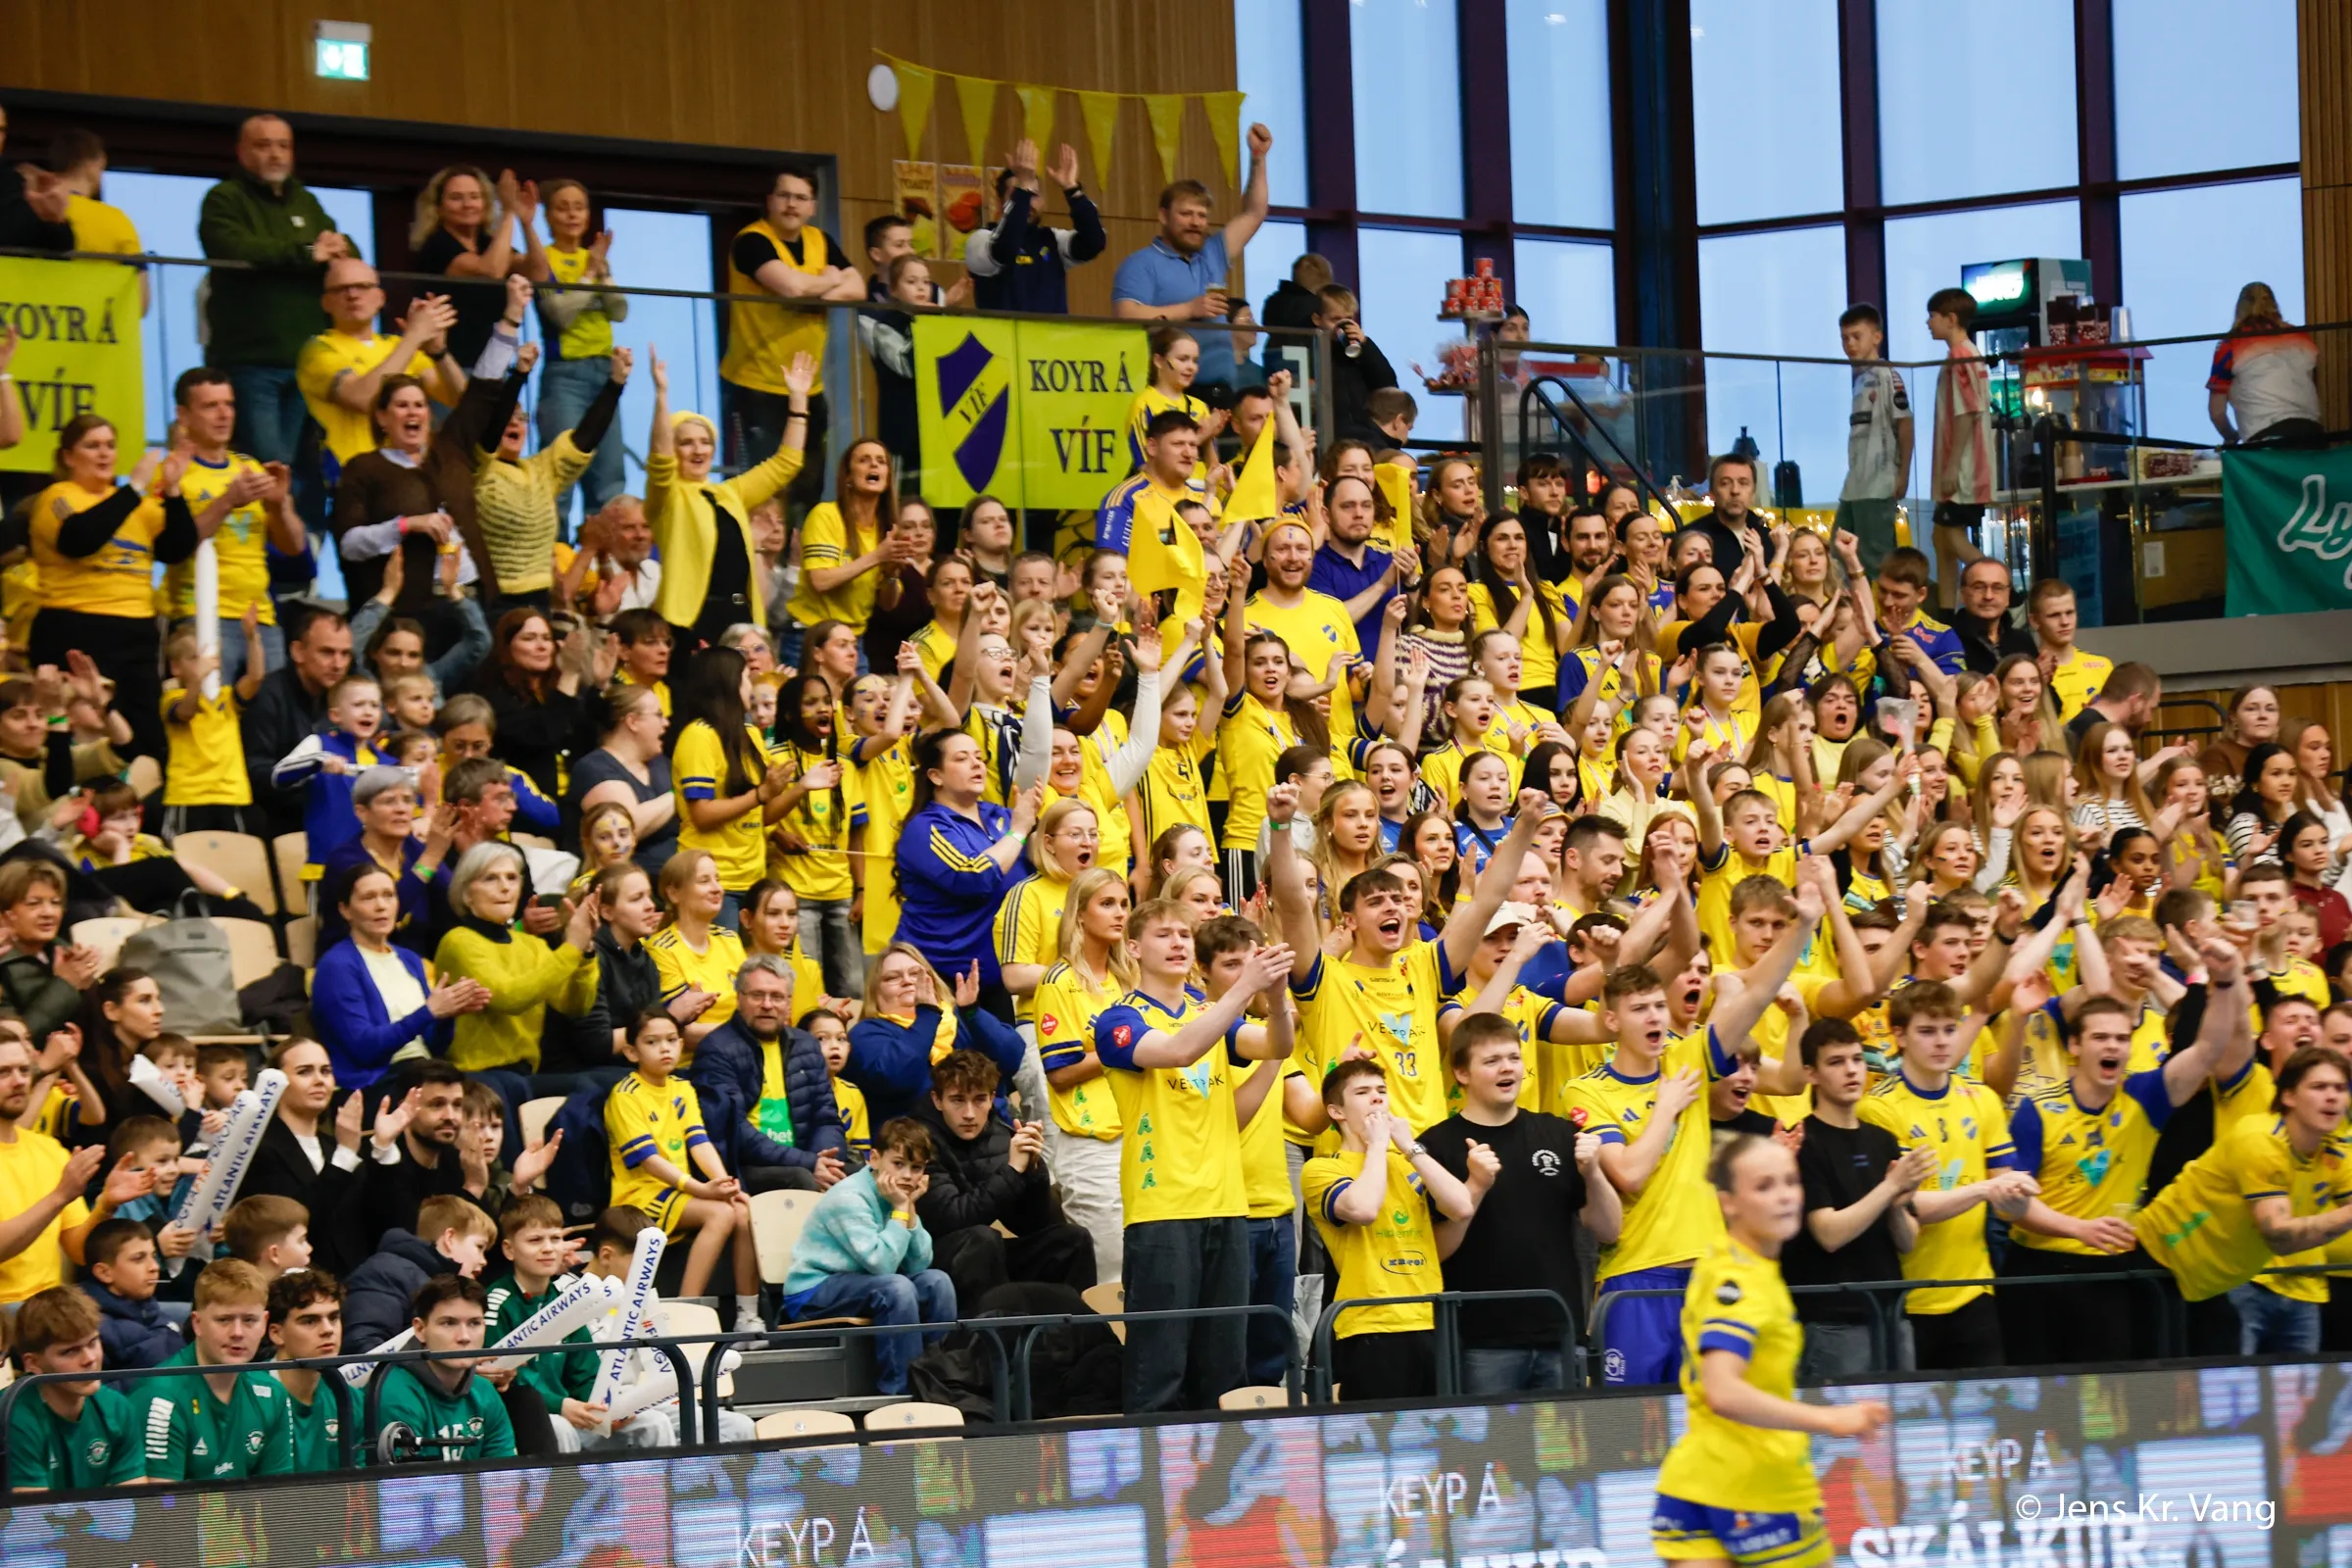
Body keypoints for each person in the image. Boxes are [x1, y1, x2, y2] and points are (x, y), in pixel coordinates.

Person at [1649, 1136, 1891, 1568]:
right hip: (1761, 1488)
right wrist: (1831, 1419)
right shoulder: (1743, 1283)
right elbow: (1723, 1390)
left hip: (1692, 1486)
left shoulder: (1726, 1259)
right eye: (1764, 1186)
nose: (1784, 1196)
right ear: (1728, 1203)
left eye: (1790, 1182)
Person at [1092, 905, 1294, 1413]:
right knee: (1159, 1371)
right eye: (1164, 934)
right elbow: (1179, 1051)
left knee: (1225, 1372)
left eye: (1185, 933)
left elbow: (1277, 1043)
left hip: (1228, 1206)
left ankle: (1222, 1467)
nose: (1179, 942)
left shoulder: (1213, 1016)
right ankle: (1153, 1465)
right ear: (1133, 948)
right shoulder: (1118, 1019)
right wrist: (1245, 988)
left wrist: (1274, 994)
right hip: (1162, 1212)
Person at [1421, 1011, 1622, 1395]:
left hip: (1561, 1333)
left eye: (1513, 1057)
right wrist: (1475, 1187)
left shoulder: (1558, 1133)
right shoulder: (1437, 1146)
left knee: (1566, 1437)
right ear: (1461, 1073)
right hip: (1479, 1342)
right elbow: (1434, 1251)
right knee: (1489, 1437)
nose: (1507, 1068)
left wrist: (1594, 1172)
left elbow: (1609, 1229)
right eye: (1491, 1061)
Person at [2136, 1045, 2352, 1355]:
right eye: (2319, 1087)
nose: (2332, 1096)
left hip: (2212, 1286)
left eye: (2340, 1088)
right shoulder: (2261, 1140)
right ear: (2288, 1096)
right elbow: (2279, 1235)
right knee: (2160, 1379)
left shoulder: (2334, 1153)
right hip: (2158, 1262)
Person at [1301, 1055, 1481, 1401]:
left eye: (1382, 1090)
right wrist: (1377, 1146)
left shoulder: (1408, 1162)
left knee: (1440, 1430)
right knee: (1379, 1431)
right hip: (1370, 1326)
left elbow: (1461, 1206)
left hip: (1430, 1319)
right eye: (1362, 1092)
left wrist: (1410, 1147)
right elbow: (1364, 1209)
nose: (1377, 1098)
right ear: (1336, 1111)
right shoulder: (1322, 1169)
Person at [27, 416, 202, 763]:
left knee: (145, 736)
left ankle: (139, 793)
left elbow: (177, 548)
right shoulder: (58, 497)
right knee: (85, 726)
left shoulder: (136, 505)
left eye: (110, 445)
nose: (104, 453)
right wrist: (133, 488)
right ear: (68, 456)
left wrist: (173, 491)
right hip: (74, 626)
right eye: (92, 446)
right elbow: (80, 540)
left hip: (136, 630)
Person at [199, 114, 352, 469]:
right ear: (241, 151)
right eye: (263, 145)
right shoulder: (224, 198)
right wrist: (305, 254)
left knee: (307, 469)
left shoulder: (306, 201)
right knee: (270, 466)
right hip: (251, 360)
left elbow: (343, 247)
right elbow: (235, 248)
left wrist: (330, 250)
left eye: (283, 146)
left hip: (308, 359)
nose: (275, 154)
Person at [647, 348, 814, 651]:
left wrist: (799, 401)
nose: (698, 450)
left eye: (705, 442)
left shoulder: (730, 493)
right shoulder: (668, 495)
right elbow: (660, 460)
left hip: (740, 616)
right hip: (692, 622)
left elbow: (786, 464)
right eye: (686, 443)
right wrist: (661, 396)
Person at [779, 1116, 956, 1396]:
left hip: (864, 1283)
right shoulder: (850, 1197)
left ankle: (940, 1385)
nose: (907, 1176)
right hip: (813, 1291)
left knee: (938, 1282)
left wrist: (908, 1210)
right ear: (874, 1158)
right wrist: (901, 1209)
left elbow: (920, 1263)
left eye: (916, 1168)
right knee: (897, 1288)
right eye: (898, 1164)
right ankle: (902, 1395)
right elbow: (881, 1264)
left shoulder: (898, 1196)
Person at [717, 164, 864, 498]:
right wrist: (828, 281)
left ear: (812, 206)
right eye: (784, 195)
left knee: (809, 490)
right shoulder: (752, 240)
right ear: (770, 201)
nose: (791, 205)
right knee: (763, 494)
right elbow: (791, 288)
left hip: (810, 386)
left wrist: (809, 295)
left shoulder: (820, 240)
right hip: (756, 386)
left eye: (801, 198)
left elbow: (857, 288)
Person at [913, 1048, 1096, 1305]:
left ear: (991, 1099)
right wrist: (1011, 1172)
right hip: (929, 1260)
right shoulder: (918, 1141)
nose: (969, 1113)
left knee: (1072, 1240)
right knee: (982, 1240)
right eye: (957, 1100)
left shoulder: (1001, 1135)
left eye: (979, 1099)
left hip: (986, 1255)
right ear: (937, 1100)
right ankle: (990, 1329)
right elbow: (952, 1218)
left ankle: (1075, 1329)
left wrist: (1033, 1170)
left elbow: (1033, 1225)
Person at [160, 368, 306, 684]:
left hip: (260, 616)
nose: (224, 414)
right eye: (210, 406)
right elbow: (172, 546)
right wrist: (227, 501)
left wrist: (279, 505)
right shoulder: (170, 474)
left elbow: (294, 546)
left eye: (229, 404)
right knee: (209, 708)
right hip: (200, 614)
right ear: (183, 415)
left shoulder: (250, 468)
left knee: (267, 712)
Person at [1109, 125, 1275, 396]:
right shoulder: (1141, 263)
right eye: (1186, 214)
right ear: (1163, 216)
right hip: (1175, 391)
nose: (1196, 222)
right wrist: (1189, 309)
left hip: (1223, 391)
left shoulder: (1212, 253)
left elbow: (1254, 213)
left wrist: (1258, 158)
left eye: (1202, 215)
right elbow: (1125, 315)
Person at [296, 256, 465, 490]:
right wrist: (414, 336)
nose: (353, 295)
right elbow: (363, 399)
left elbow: (465, 402)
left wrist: (439, 352)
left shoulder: (398, 346)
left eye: (363, 287)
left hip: (415, 478)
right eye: (341, 289)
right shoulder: (318, 349)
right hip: (357, 484)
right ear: (326, 302)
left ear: (380, 298)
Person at [686, 956, 850, 1194]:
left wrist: (825, 1162)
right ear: (739, 998)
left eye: (777, 996)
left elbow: (826, 1117)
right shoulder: (716, 1049)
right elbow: (734, 1131)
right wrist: (808, 1163)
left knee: (866, 1175)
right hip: (746, 1168)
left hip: (804, 1160)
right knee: (801, 1179)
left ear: (789, 1003)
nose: (767, 1004)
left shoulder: (806, 1045)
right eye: (757, 995)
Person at [137, 1259, 296, 1483]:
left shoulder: (273, 1394)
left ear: (265, 1323)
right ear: (197, 1323)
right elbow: (163, 1501)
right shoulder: (161, 1397)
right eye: (224, 1320)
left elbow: (278, 1493)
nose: (238, 1332)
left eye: (249, 1320)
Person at [532, 177, 631, 521]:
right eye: (563, 208)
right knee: (559, 472)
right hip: (565, 376)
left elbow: (620, 310)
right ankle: (554, 549)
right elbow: (560, 314)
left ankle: (605, 548)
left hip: (606, 374)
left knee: (609, 478)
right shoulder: (543, 259)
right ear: (548, 216)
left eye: (579, 207)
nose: (572, 215)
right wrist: (589, 275)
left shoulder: (595, 258)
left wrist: (603, 273)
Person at [5, 1286, 148, 1493]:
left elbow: (135, 1502)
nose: (89, 1359)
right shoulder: (15, 1416)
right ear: (33, 1363)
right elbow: (33, 1512)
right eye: (70, 1351)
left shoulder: (118, 1409)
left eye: (93, 1342)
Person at [373, 1275, 517, 1465]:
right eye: (449, 1323)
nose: (464, 1337)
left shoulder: (484, 1391)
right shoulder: (396, 1391)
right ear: (420, 1329)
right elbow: (409, 1481)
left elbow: (504, 1475)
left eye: (474, 1323)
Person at [963, 139, 1106, 315]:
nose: (1029, 203)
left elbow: (1094, 242)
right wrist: (1024, 189)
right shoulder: (979, 240)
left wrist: (1072, 189)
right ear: (1000, 202)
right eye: (1019, 193)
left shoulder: (1052, 239)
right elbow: (1005, 248)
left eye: (1035, 195)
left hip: (1052, 333)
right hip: (999, 333)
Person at [245, 607, 354, 836]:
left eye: (345, 654)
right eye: (327, 652)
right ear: (297, 651)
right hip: (277, 822)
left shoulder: (348, 697)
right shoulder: (267, 695)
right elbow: (256, 772)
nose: (338, 664)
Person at [341, 1192, 495, 1350]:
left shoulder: (436, 1281)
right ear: (449, 1238)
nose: (483, 1261)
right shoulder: (387, 1273)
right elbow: (363, 1345)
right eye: (479, 1247)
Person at [1833, 304, 1913, 575]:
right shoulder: (1860, 380)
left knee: (1876, 558)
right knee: (1838, 554)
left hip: (1878, 486)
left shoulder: (1887, 376)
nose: (1850, 344)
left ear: (1877, 337)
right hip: (1855, 485)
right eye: (1845, 338)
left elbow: (1905, 423)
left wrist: (1903, 474)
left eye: (1857, 336)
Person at [1928, 285, 1994, 609]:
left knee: (1951, 535)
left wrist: (1952, 466)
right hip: (1966, 466)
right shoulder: (1971, 355)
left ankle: (2000, 585)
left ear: (1951, 319)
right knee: (1941, 538)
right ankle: (1946, 613)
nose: (1928, 323)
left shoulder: (1961, 356)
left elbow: (1967, 412)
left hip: (1963, 468)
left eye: (1933, 316)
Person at [2209, 281, 2324, 446]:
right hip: (2313, 433)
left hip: (2266, 436)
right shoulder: (2302, 337)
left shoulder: (2231, 343)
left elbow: (2217, 412)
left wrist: (2231, 436)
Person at [266, 1269, 351, 1472]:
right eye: (310, 1321)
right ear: (277, 1333)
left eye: (334, 1317)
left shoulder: (349, 1398)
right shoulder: (250, 1398)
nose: (328, 1329)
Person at [1949, 558, 2035, 674]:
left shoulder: (2023, 642)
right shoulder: (1947, 642)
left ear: (2008, 596)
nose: (1988, 596)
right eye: (1979, 587)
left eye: (1997, 588)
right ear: (1963, 594)